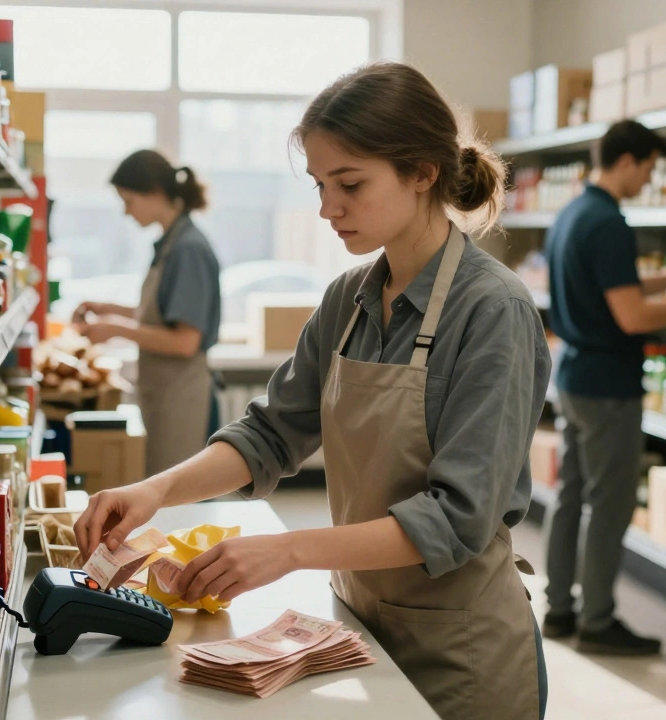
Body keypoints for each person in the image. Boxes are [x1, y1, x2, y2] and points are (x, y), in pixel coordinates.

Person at [74, 62, 550, 720]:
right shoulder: (348, 301)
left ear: (421, 172)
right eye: (321, 184)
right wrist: (153, 491)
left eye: (350, 184)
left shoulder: (493, 310)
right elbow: (270, 434)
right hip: (360, 619)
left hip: (461, 649)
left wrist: (290, 550)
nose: (328, 208)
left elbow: (457, 519)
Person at [541, 120, 666, 655]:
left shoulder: (573, 213)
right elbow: (632, 314)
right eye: (647, 167)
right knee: (610, 503)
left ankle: (560, 610)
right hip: (609, 385)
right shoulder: (611, 222)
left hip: (574, 374)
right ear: (626, 161)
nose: (648, 178)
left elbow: (619, 286)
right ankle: (599, 622)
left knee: (570, 495)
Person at [73, 150, 222, 476]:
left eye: (129, 201)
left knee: (178, 498)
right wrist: (108, 310)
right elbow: (160, 315)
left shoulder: (188, 249)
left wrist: (116, 329)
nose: (126, 213)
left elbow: (184, 341)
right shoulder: (170, 243)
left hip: (182, 399)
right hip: (164, 393)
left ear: (154, 193)